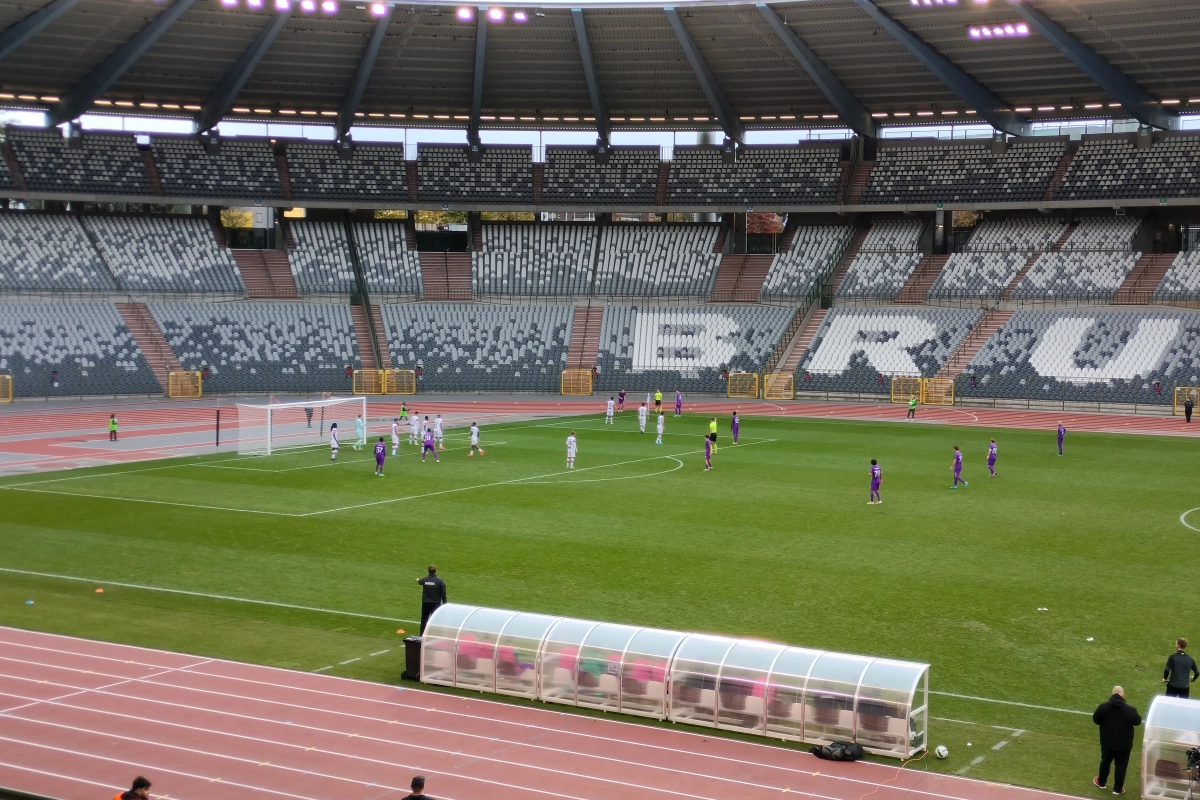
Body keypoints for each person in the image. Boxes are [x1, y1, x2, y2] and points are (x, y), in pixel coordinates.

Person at [1093, 686, 1140, 795]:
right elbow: (1137, 721)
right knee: (1121, 766)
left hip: (1107, 742)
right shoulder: (1130, 709)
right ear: (1123, 695)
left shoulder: (1103, 707)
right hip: (1124, 744)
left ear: (1112, 694)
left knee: (1105, 761)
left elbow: (1096, 719)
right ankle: (1117, 789)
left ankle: (1102, 782)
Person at [417, 567, 446, 635]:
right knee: (435, 620)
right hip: (435, 603)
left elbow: (420, 582)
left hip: (426, 603)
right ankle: (434, 634)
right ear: (435, 571)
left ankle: (422, 634)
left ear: (428, 571)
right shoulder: (439, 581)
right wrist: (445, 603)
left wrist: (418, 580)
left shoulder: (425, 580)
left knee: (424, 619)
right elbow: (443, 593)